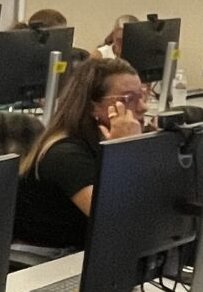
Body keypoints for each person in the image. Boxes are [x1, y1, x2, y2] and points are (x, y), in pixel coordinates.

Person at [15, 55, 148, 252]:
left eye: (143, 96)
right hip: (51, 262)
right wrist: (126, 150)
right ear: (92, 106)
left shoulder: (98, 142)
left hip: (90, 254)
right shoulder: (66, 155)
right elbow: (115, 218)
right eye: (129, 99)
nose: (143, 107)